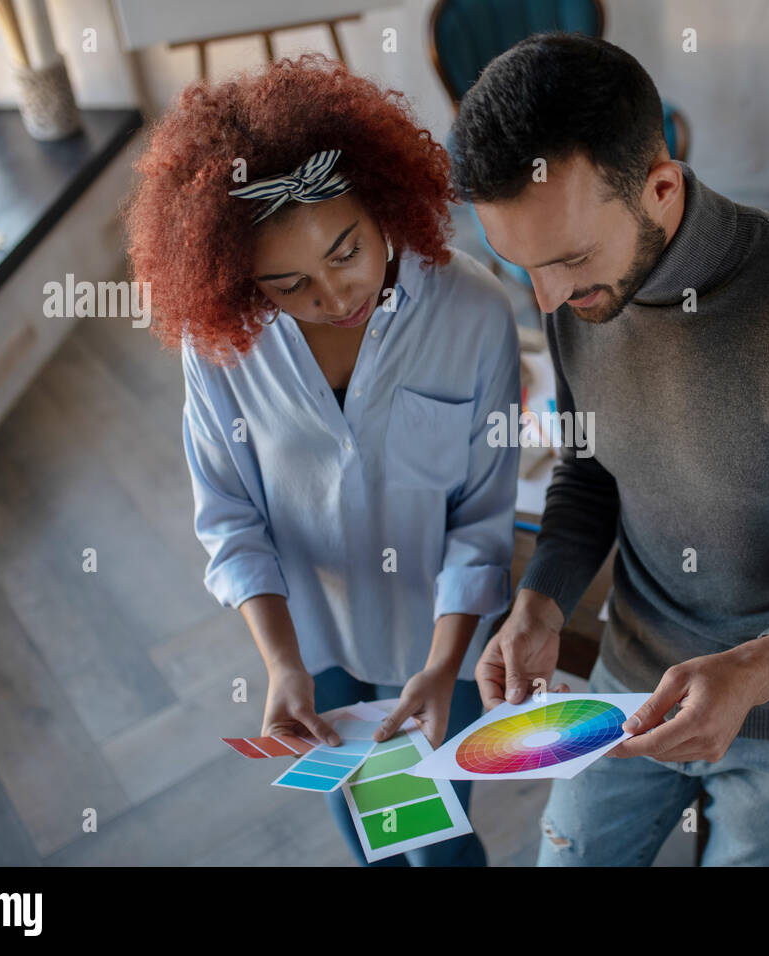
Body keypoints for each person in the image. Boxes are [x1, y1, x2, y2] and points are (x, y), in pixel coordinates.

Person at [450, 34, 769, 866]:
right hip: (631, 679)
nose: (545, 300)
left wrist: (761, 670)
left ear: (661, 185)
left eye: (569, 261)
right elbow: (589, 468)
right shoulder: (570, 292)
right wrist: (542, 601)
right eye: (519, 267)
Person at [124, 53, 520, 866]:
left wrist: (448, 666)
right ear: (240, 281)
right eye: (289, 283)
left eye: (346, 251)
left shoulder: (475, 313)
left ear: (383, 200)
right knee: (369, 836)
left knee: (439, 850)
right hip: (312, 651)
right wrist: (282, 665)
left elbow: (482, 520)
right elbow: (230, 515)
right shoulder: (220, 348)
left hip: (437, 642)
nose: (335, 297)